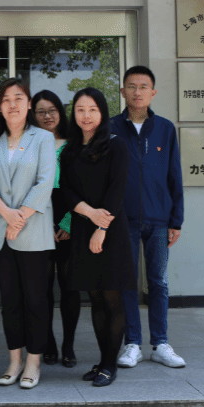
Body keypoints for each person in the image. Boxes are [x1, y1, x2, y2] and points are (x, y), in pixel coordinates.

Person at [0, 78, 55, 390]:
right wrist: (7, 214)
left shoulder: (43, 138)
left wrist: (19, 217)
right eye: (6, 99)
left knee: (35, 299)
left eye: (19, 98)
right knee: (9, 301)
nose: (12, 104)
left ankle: (33, 361)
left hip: (32, 230)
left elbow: (45, 181)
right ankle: (14, 361)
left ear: (29, 103)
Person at [112, 66, 186, 369]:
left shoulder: (165, 129)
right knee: (127, 282)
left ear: (153, 92)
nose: (137, 91)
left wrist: (176, 220)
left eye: (144, 86)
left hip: (158, 219)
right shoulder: (111, 127)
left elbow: (174, 175)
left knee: (158, 282)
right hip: (123, 219)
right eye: (132, 86)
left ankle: (160, 343)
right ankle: (132, 343)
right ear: (123, 92)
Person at [60, 87, 135, 387]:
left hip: (111, 230)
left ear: (102, 112)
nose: (86, 115)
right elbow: (66, 190)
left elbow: (117, 189)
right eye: (80, 109)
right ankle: (102, 361)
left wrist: (101, 228)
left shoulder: (117, 145)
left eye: (92, 109)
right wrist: (89, 214)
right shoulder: (70, 150)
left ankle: (110, 365)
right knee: (94, 297)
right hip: (83, 228)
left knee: (111, 297)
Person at [31, 89, 81, 368]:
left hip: (70, 213)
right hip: (38, 213)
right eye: (41, 111)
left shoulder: (74, 143)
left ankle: (68, 344)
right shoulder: (29, 142)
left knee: (69, 285)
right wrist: (42, 220)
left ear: (61, 112)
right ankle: (47, 341)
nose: (47, 116)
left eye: (52, 110)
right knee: (43, 287)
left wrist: (69, 221)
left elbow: (83, 184)